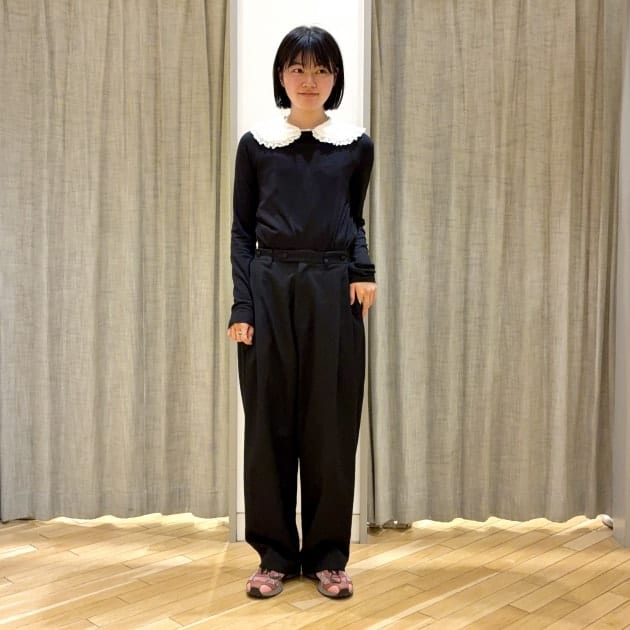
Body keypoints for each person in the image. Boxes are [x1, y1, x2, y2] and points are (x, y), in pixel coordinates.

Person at [227, 25, 376, 600]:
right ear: (281, 76)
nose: (308, 80)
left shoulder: (356, 145)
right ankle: (273, 557)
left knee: (331, 426)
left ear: (335, 77)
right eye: (297, 68)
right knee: (269, 426)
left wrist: (363, 270)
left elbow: (354, 219)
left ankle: (328, 557)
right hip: (268, 289)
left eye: (320, 69)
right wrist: (243, 304)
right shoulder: (255, 145)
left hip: (334, 290)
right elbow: (242, 231)